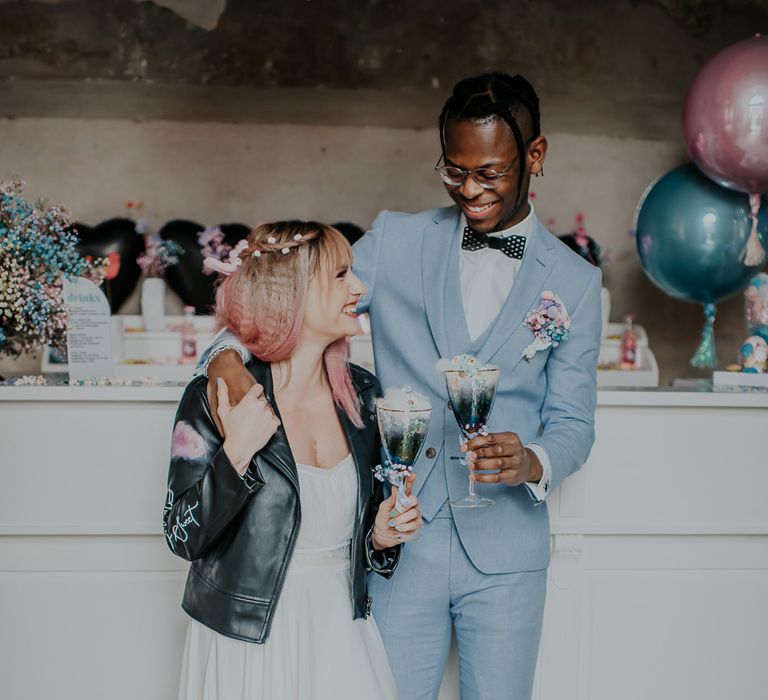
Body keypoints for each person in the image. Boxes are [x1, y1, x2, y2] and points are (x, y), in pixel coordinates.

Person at [198, 72, 602, 700]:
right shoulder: (398, 239)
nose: (469, 190)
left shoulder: (574, 283)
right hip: (399, 539)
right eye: (454, 170)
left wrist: (532, 460)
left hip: (507, 552)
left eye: (489, 173)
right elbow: (293, 298)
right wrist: (224, 355)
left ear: (535, 156)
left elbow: (574, 425)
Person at [163, 220, 422, 699]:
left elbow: (351, 533)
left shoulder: (361, 396)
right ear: (294, 292)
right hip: (248, 636)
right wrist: (237, 451)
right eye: (342, 275)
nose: (360, 289)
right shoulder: (218, 395)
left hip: (340, 631)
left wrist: (381, 535)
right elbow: (181, 533)